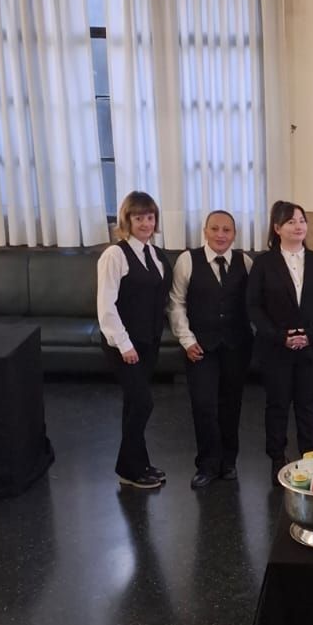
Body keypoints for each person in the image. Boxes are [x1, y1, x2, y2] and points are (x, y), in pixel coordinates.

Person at [247, 201, 313, 485]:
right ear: (277, 228)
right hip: (276, 347)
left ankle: (309, 456)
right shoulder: (264, 263)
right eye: (291, 221)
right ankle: (277, 457)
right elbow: (253, 306)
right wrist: (280, 336)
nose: (298, 226)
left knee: (308, 403)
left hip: (311, 346)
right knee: (277, 404)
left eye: (302, 220)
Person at [169, 210, 253, 490]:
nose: (220, 234)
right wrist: (187, 340)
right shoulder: (187, 261)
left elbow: (254, 303)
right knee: (204, 405)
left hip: (236, 346)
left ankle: (228, 461)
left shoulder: (245, 262)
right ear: (205, 231)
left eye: (227, 230)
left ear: (234, 234)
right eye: (215, 229)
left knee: (231, 405)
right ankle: (206, 464)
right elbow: (177, 303)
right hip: (200, 347)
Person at [97, 189, 172, 489]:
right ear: (126, 220)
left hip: (148, 341)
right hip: (124, 344)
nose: (145, 223)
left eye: (150, 217)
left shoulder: (155, 254)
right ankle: (128, 467)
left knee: (133, 404)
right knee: (143, 403)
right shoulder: (114, 255)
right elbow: (106, 306)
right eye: (138, 218)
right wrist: (124, 344)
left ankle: (138, 464)